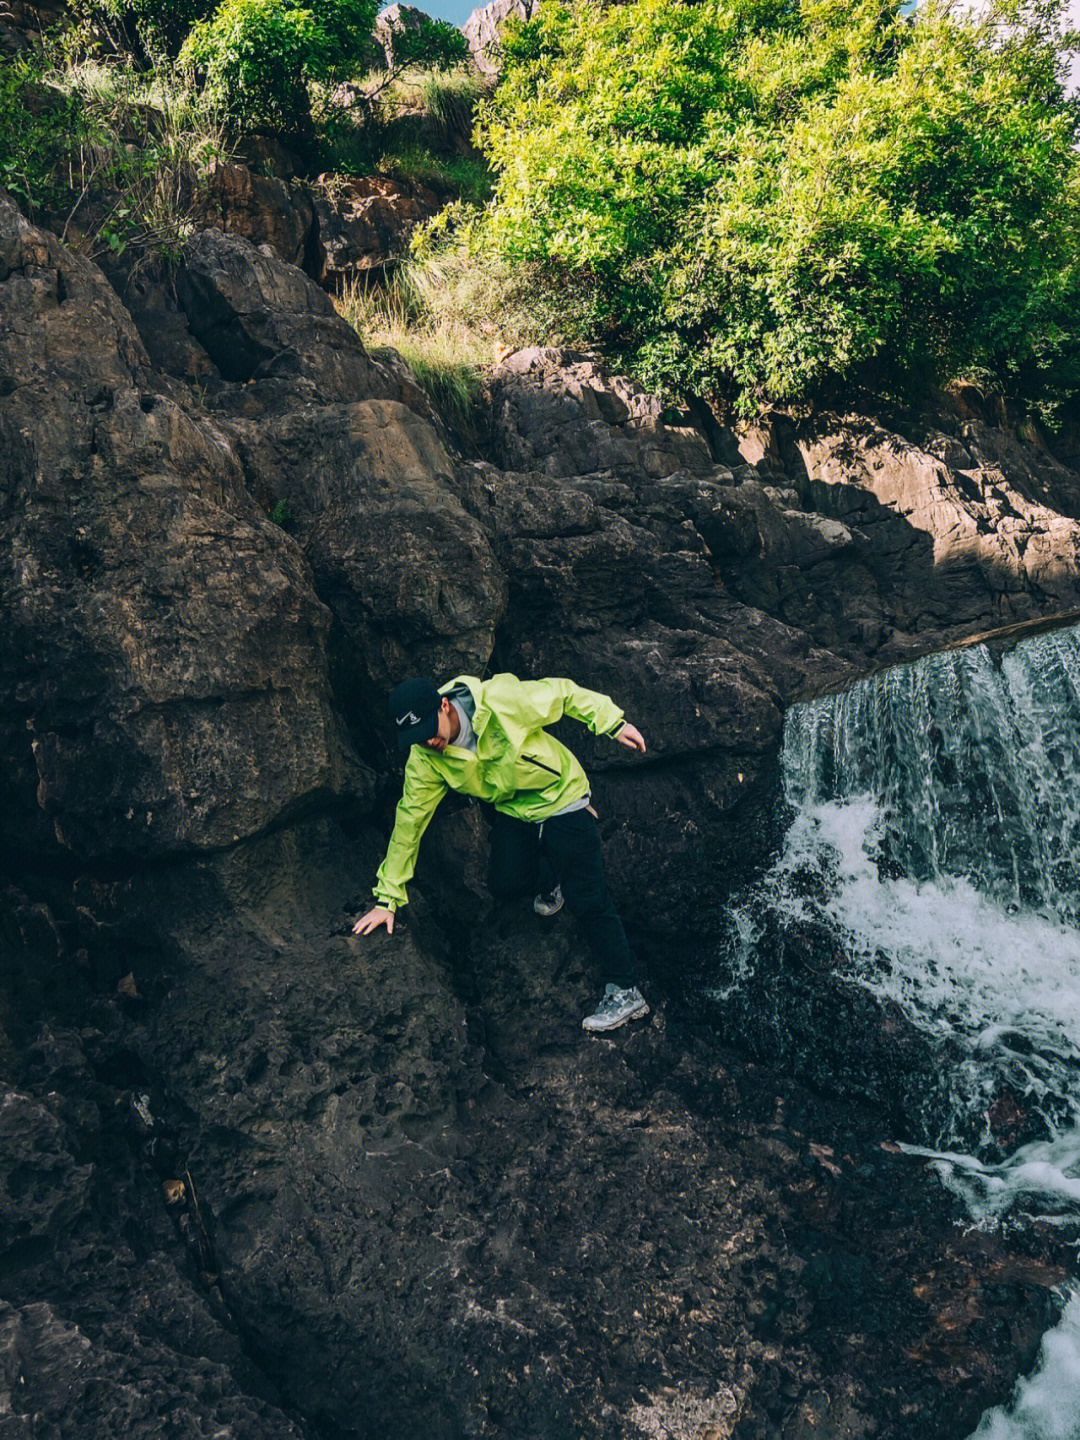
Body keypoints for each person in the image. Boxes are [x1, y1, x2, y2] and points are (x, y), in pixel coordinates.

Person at [352, 672, 650, 1033]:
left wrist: (611, 723)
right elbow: (409, 821)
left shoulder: (501, 700)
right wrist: (388, 899)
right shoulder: (426, 758)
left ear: (444, 707)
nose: (429, 742)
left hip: (560, 794)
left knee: (587, 897)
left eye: (430, 731)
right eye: (417, 739)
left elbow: (563, 694)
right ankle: (550, 877)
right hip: (513, 806)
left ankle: (626, 991)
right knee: (505, 883)